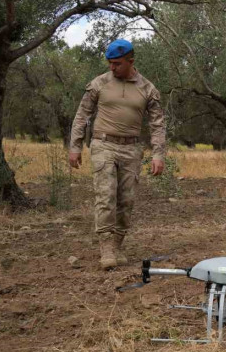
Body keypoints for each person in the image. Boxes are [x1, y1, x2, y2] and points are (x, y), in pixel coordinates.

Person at [68, 39, 167, 269]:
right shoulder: (99, 84)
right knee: (106, 196)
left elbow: (158, 124)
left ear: (131, 61)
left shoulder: (148, 89)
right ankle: (106, 249)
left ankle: (117, 245)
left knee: (126, 200)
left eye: (117, 64)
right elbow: (82, 115)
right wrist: (75, 146)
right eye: (110, 63)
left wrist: (158, 154)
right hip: (103, 145)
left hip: (132, 149)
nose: (112, 68)